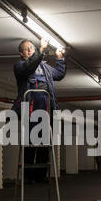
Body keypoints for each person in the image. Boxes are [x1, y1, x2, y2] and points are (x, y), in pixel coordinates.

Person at [13, 38, 66, 182]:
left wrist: (59, 58)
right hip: (29, 110)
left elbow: (59, 75)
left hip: (47, 109)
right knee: (30, 143)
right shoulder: (19, 66)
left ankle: (41, 176)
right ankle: (29, 177)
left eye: (32, 47)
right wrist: (41, 51)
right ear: (21, 53)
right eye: (26, 49)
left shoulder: (46, 68)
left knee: (45, 144)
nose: (30, 50)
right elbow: (29, 67)